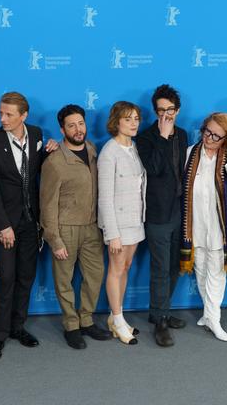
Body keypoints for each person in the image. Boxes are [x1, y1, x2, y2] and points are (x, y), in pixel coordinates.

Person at [0, 92, 57, 362]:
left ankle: (18, 326)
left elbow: (39, 171)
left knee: (26, 277)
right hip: (7, 224)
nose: (2, 118)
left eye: (9, 114)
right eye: (1, 113)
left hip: (31, 223)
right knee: (5, 278)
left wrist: (52, 149)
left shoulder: (36, 134)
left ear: (23, 116)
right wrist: (2, 225)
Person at [40, 104, 112, 349]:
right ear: (62, 130)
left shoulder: (92, 150)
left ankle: (86, 320)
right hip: (65, 229)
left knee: (94, 277)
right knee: (64, 281)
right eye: (71, 125)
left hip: (92, 228)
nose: (78, 129)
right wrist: (55, 239)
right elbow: (47, 204)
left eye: (80, 123)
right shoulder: (55, 162)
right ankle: (71, 325)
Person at [179, 113, 227, 342]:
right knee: (200, 271)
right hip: (195, 226)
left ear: (226, 138)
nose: (209, 138)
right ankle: (208, 312)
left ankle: (213, 319)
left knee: (216, 274)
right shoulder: (190, 153)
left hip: (220, 229)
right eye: (207, 132)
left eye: (216, 136)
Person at [136, 84, 188, 347]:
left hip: (179, 212)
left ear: (177, 111)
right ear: (155, 112)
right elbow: (154, 168)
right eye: (160, 111)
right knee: (159, 269)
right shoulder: (146, 138)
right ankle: (160, 322)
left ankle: (161, 310)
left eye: (170, 111)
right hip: (157, 214)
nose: (165, 116)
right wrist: (163, 138)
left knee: (175, 266)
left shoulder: (184, 135)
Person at [98, 101, 146, 346]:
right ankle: (117, 320)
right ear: (116, 122)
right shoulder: (109, 152)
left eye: (136, 118)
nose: (134, 123)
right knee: (116, 269)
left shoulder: (134, 148)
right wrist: (112, 233)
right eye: (128, 119)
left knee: (125, 267)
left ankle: (116, 316)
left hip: (136, 222)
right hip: (118, 225)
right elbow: (105, 196)